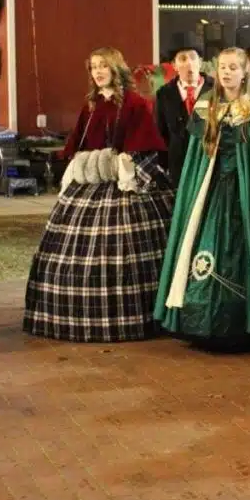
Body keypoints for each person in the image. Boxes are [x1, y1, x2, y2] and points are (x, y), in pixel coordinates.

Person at [24, 47, 173, 342]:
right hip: (90, 184)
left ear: (116, 68)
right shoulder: (91, 106)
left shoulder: (135, 104)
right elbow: (77, 143)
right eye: (93, 67)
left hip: (123, 187)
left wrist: (120, 164)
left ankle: (135, 317)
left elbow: (145, 146)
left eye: (104, 66)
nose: (98, 72)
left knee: (125, 253)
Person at [153, 47, 250, 352]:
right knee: (198, 243)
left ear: (244, 72)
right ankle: (196, 321)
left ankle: (239, 325)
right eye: (222, 67)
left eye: (234, 67)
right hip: (207, 192)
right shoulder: (206, 106)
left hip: (241, 194)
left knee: (239, 249)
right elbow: (197, 156)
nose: (227, 72)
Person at [155, 31, 214, 187]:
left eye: (193, 58)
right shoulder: (164, 94)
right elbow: (161, 134)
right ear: (174, 65)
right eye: (182, 59)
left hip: (209, 166)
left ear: (200, 62)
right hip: (177, 170)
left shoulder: (216, 90)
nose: (189, 63)